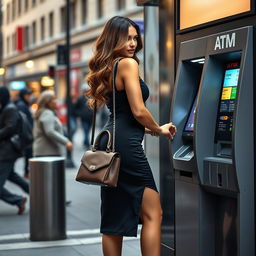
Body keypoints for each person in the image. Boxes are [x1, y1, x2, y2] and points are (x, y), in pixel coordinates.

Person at [85, 16, 177, 256]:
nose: (133, 43)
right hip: (126, 146)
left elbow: (124, 115)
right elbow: (138, 110)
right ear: (114, 38)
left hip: (110, 142)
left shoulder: (108, 66)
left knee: (113, 221)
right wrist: (158, 129)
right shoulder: (127, 64)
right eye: (127, 38)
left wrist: (152, 128)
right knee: (153, 213)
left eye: (135, 37)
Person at [0, 86, 28, 214]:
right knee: (12, 175)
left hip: (7, 152)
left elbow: (9, 128)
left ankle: (17, 200)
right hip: (6, 150)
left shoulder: (10, 109)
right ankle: (42, 193)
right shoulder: (6, 107)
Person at [33, 90, 73, 157]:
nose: (56, 101)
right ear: (47, 102)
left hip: (45, 151)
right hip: (48, 152)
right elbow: (50, 131)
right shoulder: (47, 113)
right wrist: (66, 142)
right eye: (53, 99)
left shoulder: (44, 112)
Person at [15, 88, 33, 179]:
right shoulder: (21, 105)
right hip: (25, 134)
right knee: (27, 152)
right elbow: (23, 121)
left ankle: (26, 172)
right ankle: (26, 172)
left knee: (28, 153)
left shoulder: (23, 104)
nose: (29, 97)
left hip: (26, 133)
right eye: (27, 95)